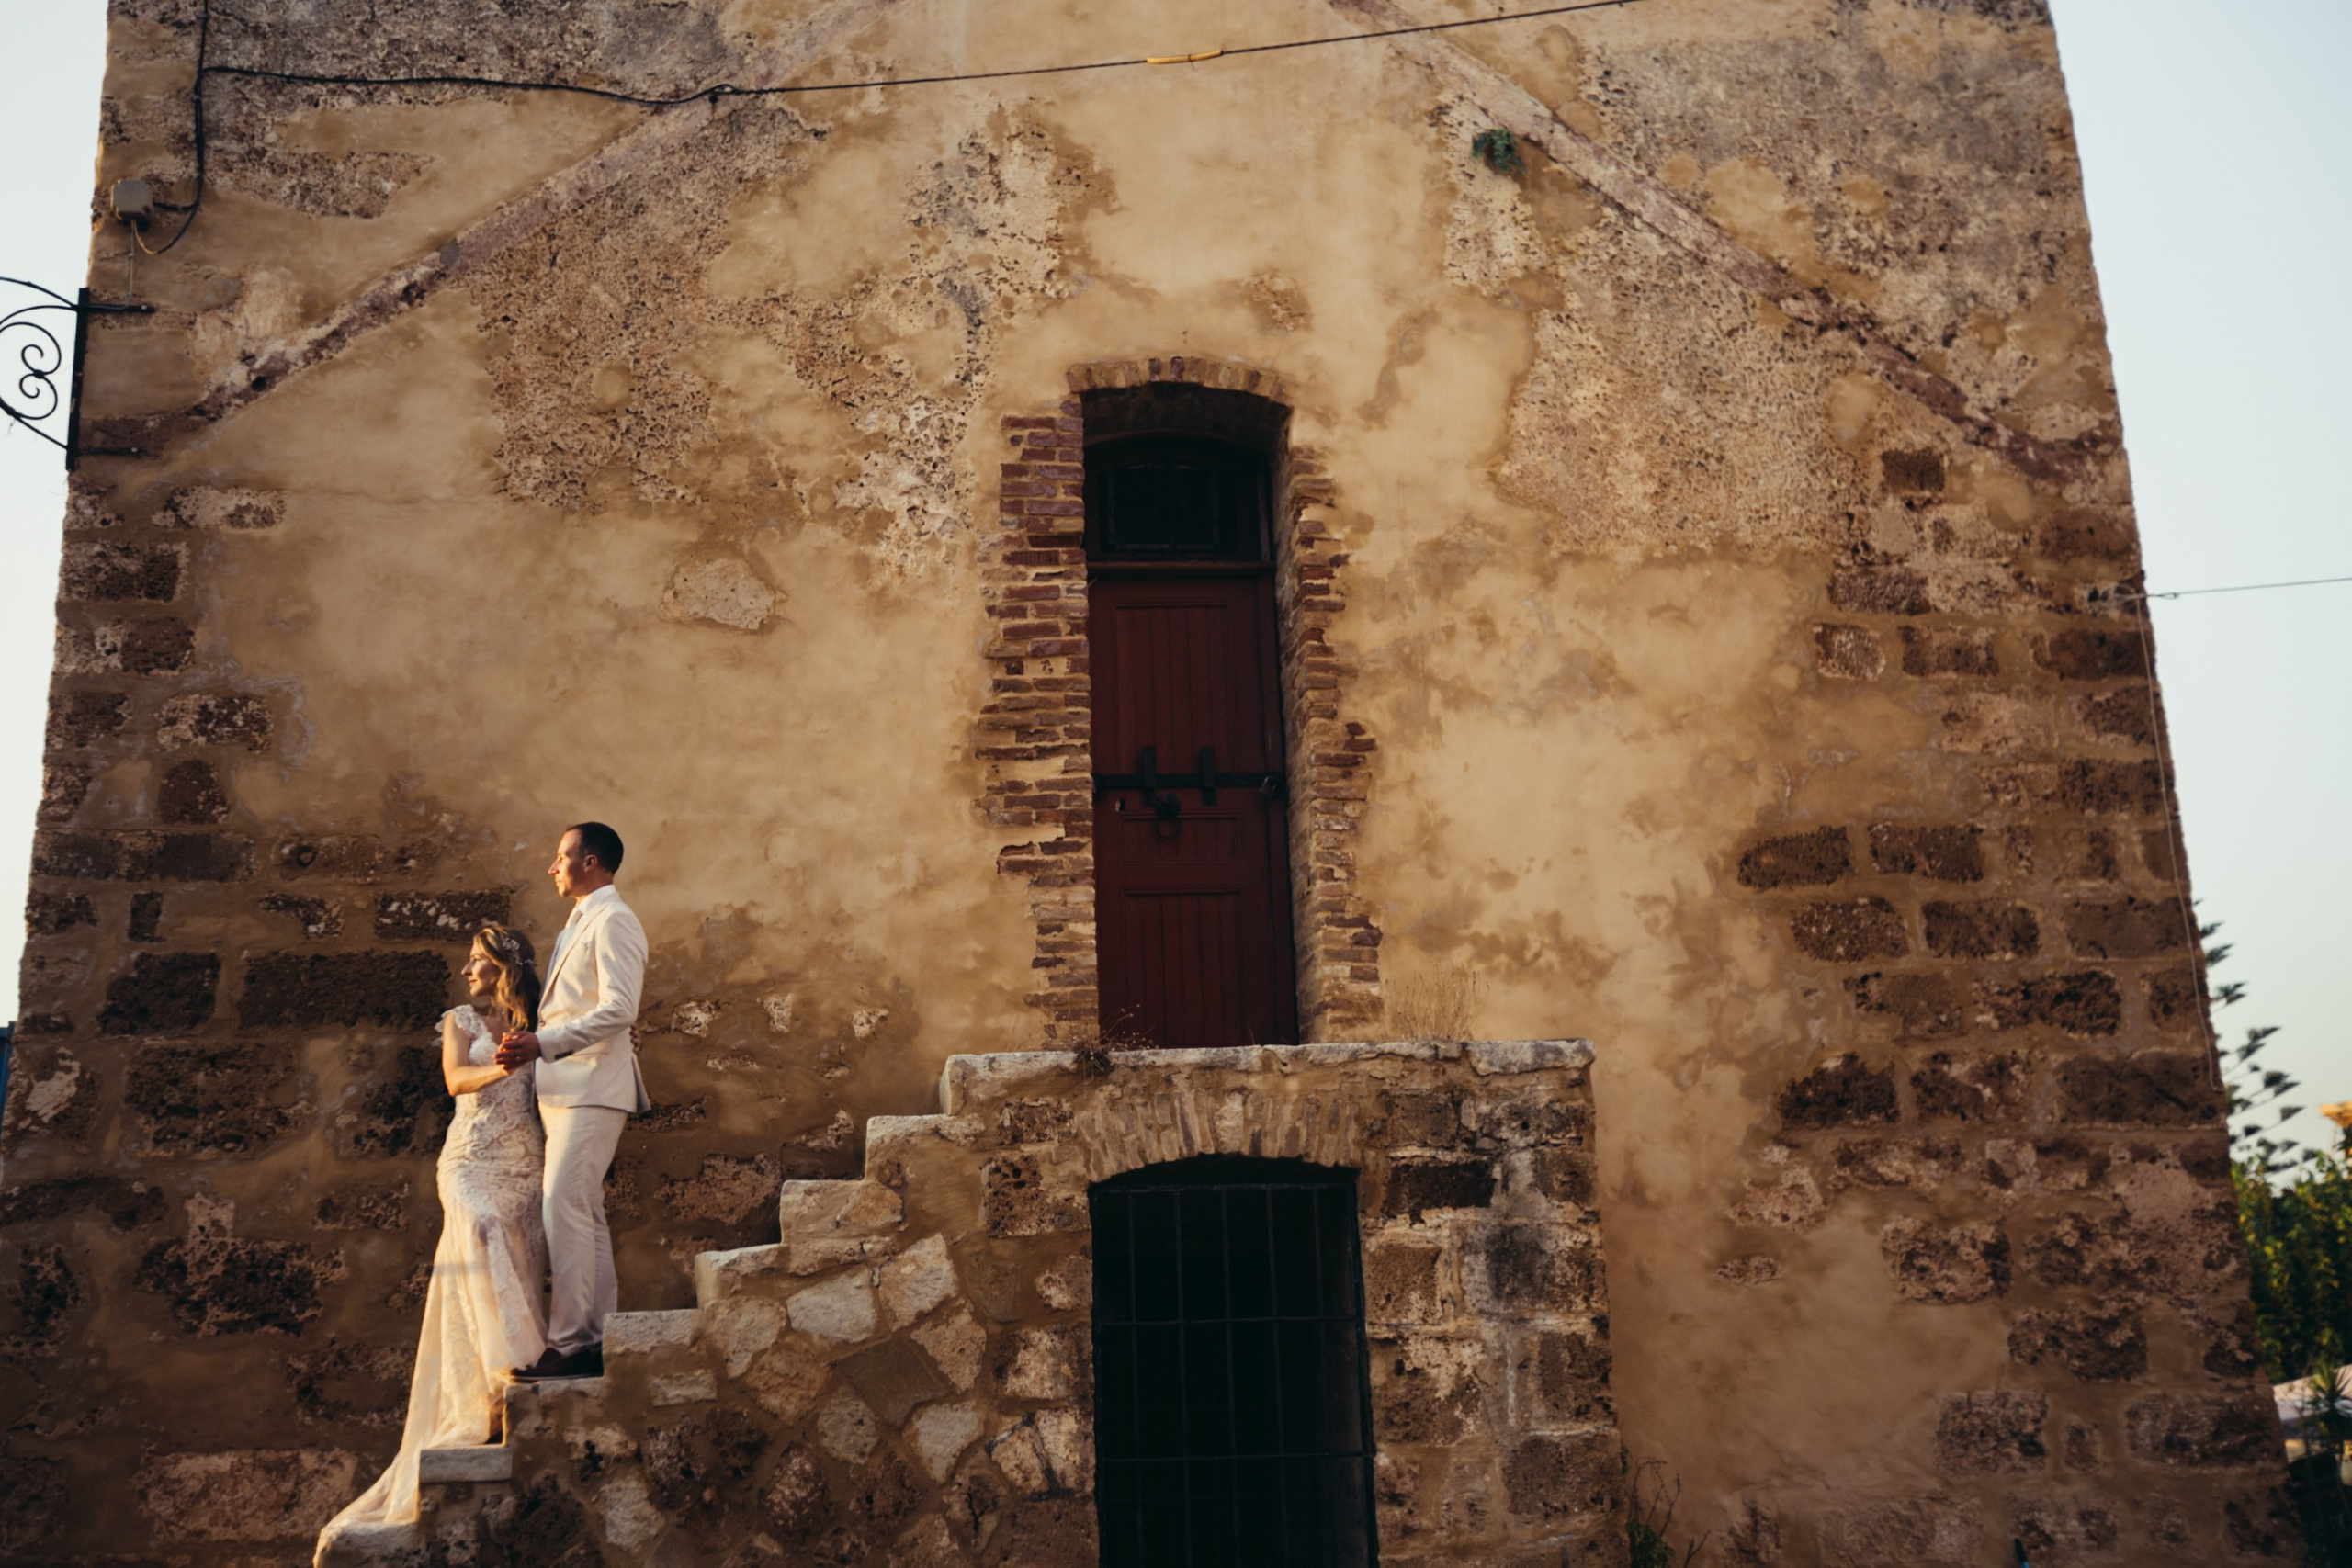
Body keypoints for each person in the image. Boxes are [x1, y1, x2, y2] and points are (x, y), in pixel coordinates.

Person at [317, 925, 548, 1551]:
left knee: (518, 1252)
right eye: (470, 959)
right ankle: (514, 1369)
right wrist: (500, 1066)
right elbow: (453, 1080)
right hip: (470, 1160)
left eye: (479, 960)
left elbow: (578, 1056)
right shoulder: (460, 1020)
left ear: (503, 967)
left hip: (526, 1161)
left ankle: (512, 1382)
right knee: (479, 1227)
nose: (468, 968)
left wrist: (619, 1043)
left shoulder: (541, 1021)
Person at [495, 821, 649, 1381]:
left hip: (592, 1088)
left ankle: (570, 1343)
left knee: (562, 1204)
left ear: (590, 863)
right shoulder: (574, 926)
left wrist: (544, 1043)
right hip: (565, 1091)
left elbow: (619, 1008)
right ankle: (603, 1336)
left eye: (561, 857)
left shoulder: (615, 920)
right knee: (583, 1213)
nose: (552, 867)